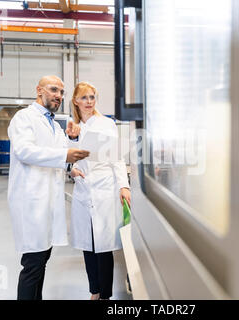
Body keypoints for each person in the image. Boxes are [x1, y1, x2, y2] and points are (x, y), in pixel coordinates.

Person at [7, 75, 89, 300]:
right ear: (39, 90)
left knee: (41, 262)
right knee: (32, 266)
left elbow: (61, 156)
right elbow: (24, 151)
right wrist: (65, 155)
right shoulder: (24, 118)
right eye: (54, 90)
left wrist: (70, 161)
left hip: (48, 203)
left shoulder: (54, 125)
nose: (58, 96)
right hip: (31, 202)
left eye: (61, 92)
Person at [69, 81, 131, 300]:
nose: (89, 102)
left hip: (105, 188)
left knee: (103, 247)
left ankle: (104, 295)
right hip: (84, 189)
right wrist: (72, 169)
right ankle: (94, 291)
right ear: (75, 101)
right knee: (88, 245)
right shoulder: (72, 128)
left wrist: (123, 185)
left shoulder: (106, 124)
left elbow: (117, 157)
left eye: (92, 97)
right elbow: (69, 157)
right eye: (84, 98)